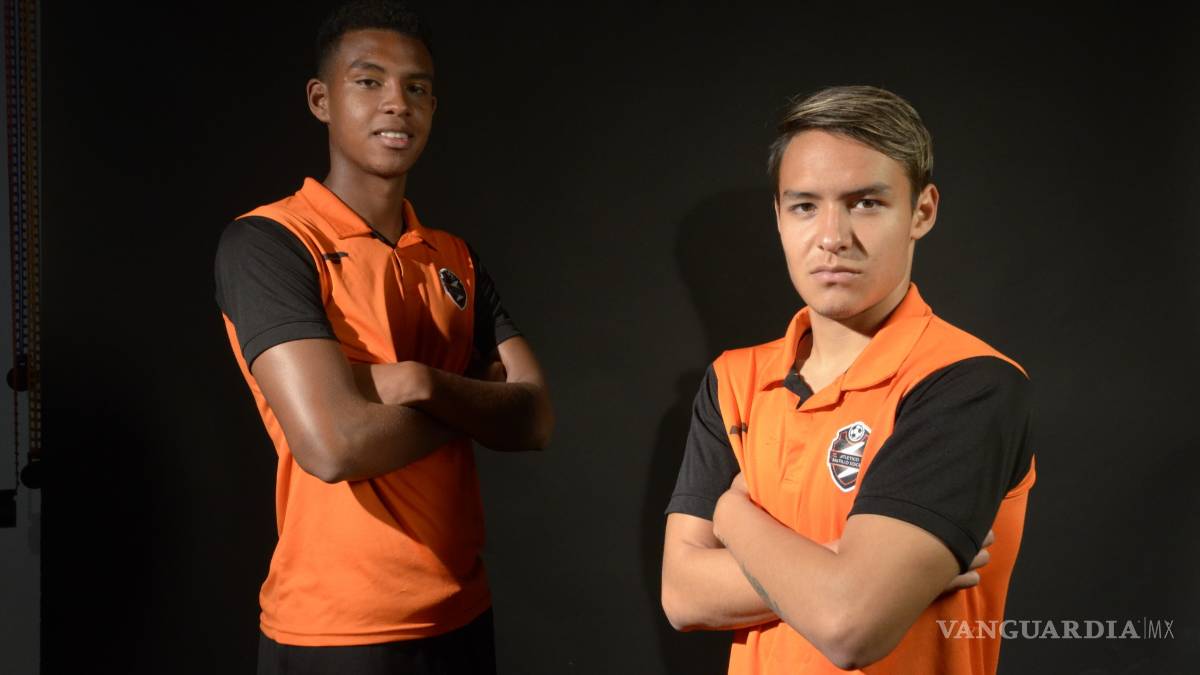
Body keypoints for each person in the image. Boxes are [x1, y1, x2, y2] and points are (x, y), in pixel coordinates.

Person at [212, 2, 553, 673]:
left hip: (462, 611)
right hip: (336, 631)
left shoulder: (455, 257)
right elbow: (333, 445)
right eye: (369, 81)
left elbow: (534, 418)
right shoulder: (270, 242)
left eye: (416, 87)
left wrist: (415, 382)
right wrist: (471, 402)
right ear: (321, 100)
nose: (397, 102)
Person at [661, 85, 1035, 674]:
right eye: (805, 206)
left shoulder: (968, 382)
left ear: (922, 212)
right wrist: (839, 569)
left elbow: (851, 624)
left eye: (865, 203)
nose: (832, 236)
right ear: (779, 217)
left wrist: (732, 516)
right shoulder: (734, 380)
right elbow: (682, 595)